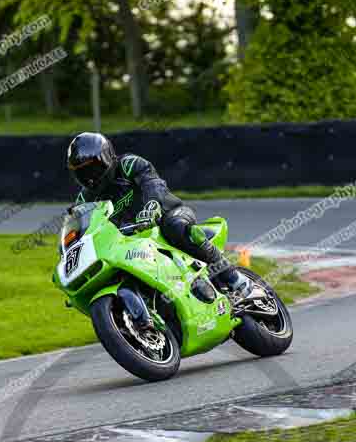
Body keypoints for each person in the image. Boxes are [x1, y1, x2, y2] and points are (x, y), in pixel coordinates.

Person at [66, 132, 252, 317]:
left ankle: (234, 278)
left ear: (106, 157)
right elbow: (80, 229)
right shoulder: (85, 199)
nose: (89, 177)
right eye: (82, 173)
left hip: (167, 215)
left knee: (175, 226)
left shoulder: (128, 165)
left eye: (92, 169)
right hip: (132, 240)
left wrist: (152, 206)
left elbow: (153, 184)